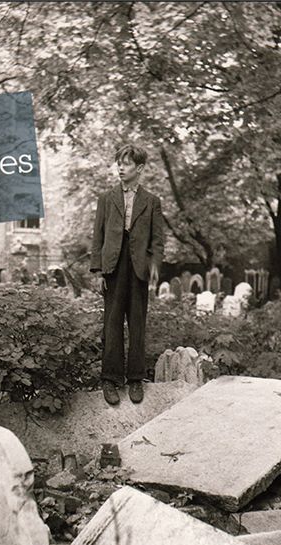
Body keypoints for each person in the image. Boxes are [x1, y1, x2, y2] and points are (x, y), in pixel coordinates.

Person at [90, 143, 164, 405]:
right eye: (119, 163)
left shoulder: (152, 202)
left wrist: (154, 268)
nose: (120, 167)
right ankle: (110, 380)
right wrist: (97, 270)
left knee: (136, 323)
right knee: (111, 324)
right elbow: (97, 236)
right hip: (112, 267)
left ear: (140, 168)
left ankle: (135, 378)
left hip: (139, 269)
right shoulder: (106, 199)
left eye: (127, 163)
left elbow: (157, 241)